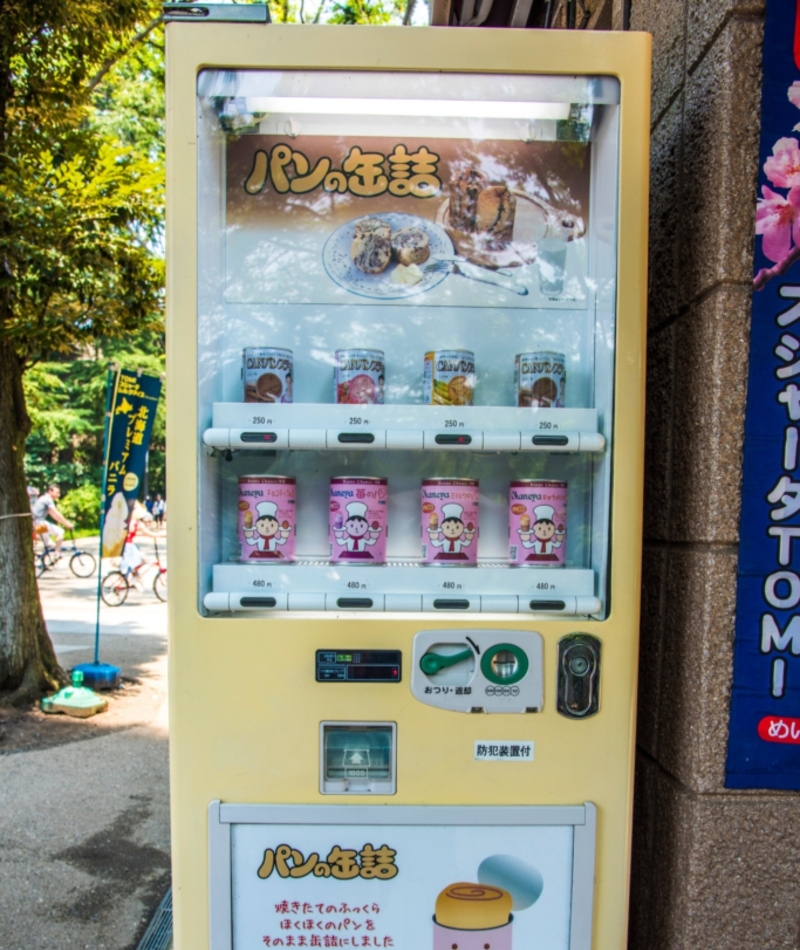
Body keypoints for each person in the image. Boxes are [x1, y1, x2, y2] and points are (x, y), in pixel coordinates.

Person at [120, 502, 157, 589]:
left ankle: (134, 576)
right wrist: (162, 535)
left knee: (134, 564)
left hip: (124, 546)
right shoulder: (137, 523)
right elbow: (149, 534)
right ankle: (135, 578)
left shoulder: (126, 521)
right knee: (146, 561)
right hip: (129, 547)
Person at [31, 484, 74, 559]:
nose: (58, 495)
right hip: (39, 523)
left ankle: (43, 563)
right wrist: (67, 524)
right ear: (50, 491)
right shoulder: (47, 499)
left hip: (36, 524)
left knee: (49, 545)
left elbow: (53, 515)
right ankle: (57, 554)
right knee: (61, 532)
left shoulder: (43, 498)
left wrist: (63, 522)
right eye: (57, 492)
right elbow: (56, 513)